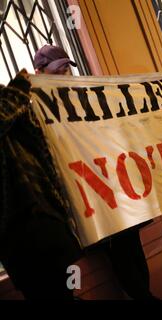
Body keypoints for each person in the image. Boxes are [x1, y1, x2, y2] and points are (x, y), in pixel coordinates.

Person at [33, 45, 157, 300]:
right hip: (90, 193)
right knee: (121, 251)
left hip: (115, 183)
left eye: (68, 67)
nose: (67, 73)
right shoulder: (40, 110)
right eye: (60, 70)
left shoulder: (84, 96)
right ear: (40, 72)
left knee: (132, 246)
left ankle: (146, 296)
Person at [0, 69, 82, 300]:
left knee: (66, 291)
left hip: (46, 219)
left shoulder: (11, 99)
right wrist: (18, 89)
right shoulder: (13, 97)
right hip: (17, 234)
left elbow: (44, 154)